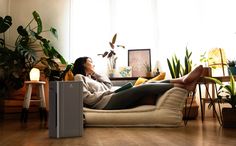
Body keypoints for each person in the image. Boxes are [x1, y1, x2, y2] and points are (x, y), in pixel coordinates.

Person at [72, 57, 203, 110]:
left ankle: (182, 81)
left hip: (110, 96)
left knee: (143, 85)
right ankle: (184, 83)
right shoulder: (79, 77)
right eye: (90, 61)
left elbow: (108, 85)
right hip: (104, 103)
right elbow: (86, 98)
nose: (93, 63)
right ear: (83, 64)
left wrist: (94, 73)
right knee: (143, 87)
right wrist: (108, 93)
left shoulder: (93, 78)